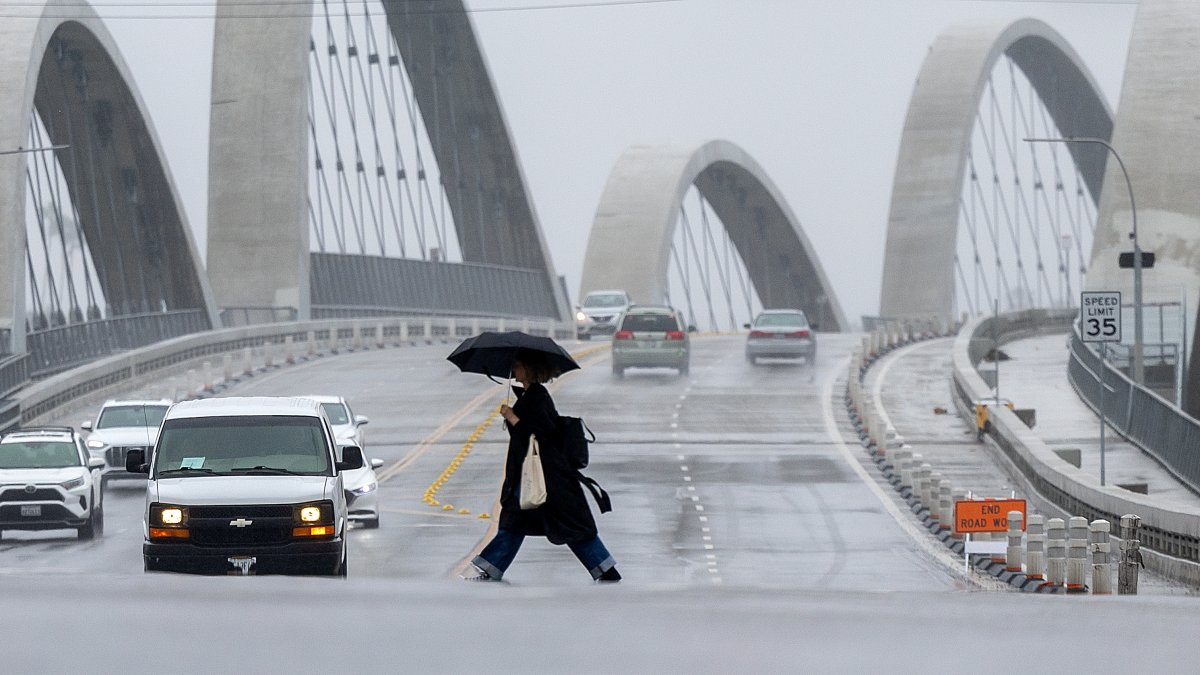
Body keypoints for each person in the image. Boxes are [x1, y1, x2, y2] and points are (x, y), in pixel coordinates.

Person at [463, 349, 620, 583]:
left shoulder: (537, 396)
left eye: (517, 366)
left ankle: (606, 570)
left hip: (547, 476)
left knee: (570, 525)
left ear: (529, 369)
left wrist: (512, 417)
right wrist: (514, 417)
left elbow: (540, 434)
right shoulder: (529, 396)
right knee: (516, 522)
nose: (513, 370)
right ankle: (492, 568)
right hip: (536, 474)